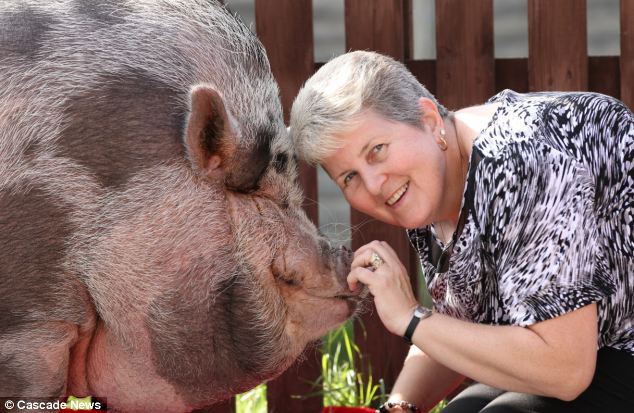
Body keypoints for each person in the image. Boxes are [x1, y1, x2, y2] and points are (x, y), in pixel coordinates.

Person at [289, 50, 634, 413]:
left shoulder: (521, 165)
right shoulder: (433, 184)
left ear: (429, 120)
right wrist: (399, 408)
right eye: (350, 177)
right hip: (594, 353)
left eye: (377, 150)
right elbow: (455, 324)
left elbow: (565, 370)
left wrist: (410, 317)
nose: (374, 185)